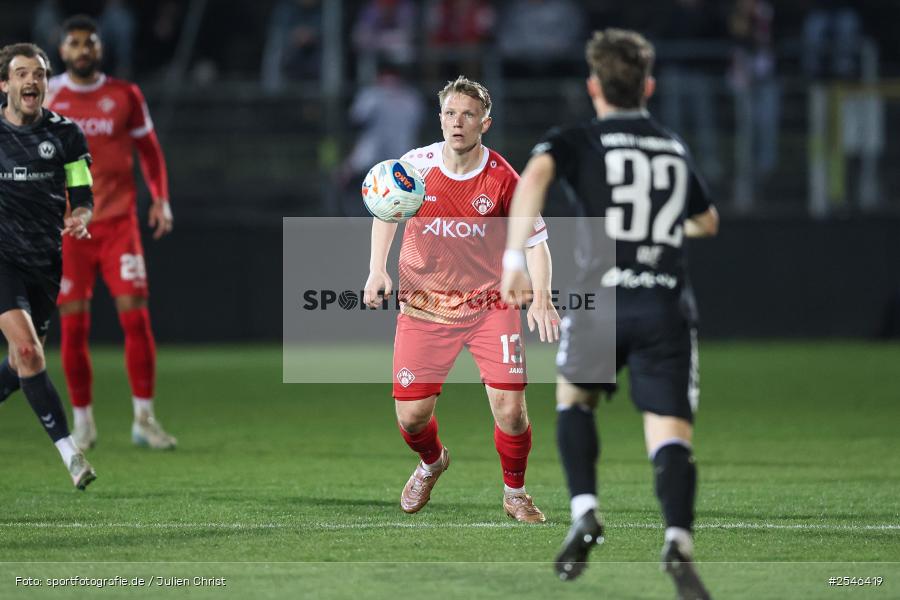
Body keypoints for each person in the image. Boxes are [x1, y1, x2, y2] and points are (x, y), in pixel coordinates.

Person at [501, 29, 719, 598]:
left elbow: (535, 180)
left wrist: (513, 258)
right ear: (648, 85)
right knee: (669, 432)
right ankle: (676, 538)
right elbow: (708, 220)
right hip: (666, 303)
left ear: (593, 86)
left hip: (601, 300)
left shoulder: (578, 139)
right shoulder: (672, 145)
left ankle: (586, 510)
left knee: (575, 400)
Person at [363, 76, 559, 523]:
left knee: (511, 410)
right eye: (450, 113)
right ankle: (432, 462)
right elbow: (387, 211)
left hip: (491, 305)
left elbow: (537, 241)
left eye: (468, 114)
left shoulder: (505, 178)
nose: (458, 122)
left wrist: (543, 297)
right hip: (425, 306)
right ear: (440, 119)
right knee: (412, 418)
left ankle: (516, 493)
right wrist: (376, 268)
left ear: (484, 123)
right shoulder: (415, 166)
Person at [43, 15, 176, 451]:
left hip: (120, 223)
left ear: (100, 49)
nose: (83, 49)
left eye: (90, 43)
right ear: (62, 50)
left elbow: (149, 150)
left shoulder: (124, 95)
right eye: (75, 43)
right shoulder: (48, 94)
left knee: (135, 317)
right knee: (73, 325)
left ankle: (144, 418)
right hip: (68, 227)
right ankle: (83, 423)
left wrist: (160, 198)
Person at [0, 42, 97, 490]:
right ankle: (71, 454)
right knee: (28, 353)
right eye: (21, 73)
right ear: (5, 84)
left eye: (38, 73)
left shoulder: (66, 135)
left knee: (23, 368)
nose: (31, 81)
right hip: (3, 259)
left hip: (45, 262)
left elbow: (82, 192)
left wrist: (81, 216)